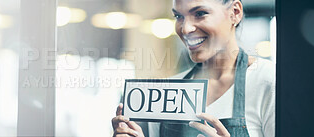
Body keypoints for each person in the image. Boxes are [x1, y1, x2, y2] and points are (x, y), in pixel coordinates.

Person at [112, 0, 275, 136]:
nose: (185, 28)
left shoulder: (270, 82)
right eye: (178, 16)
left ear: (235, 12)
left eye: (200, 13)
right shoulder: (166, 91)